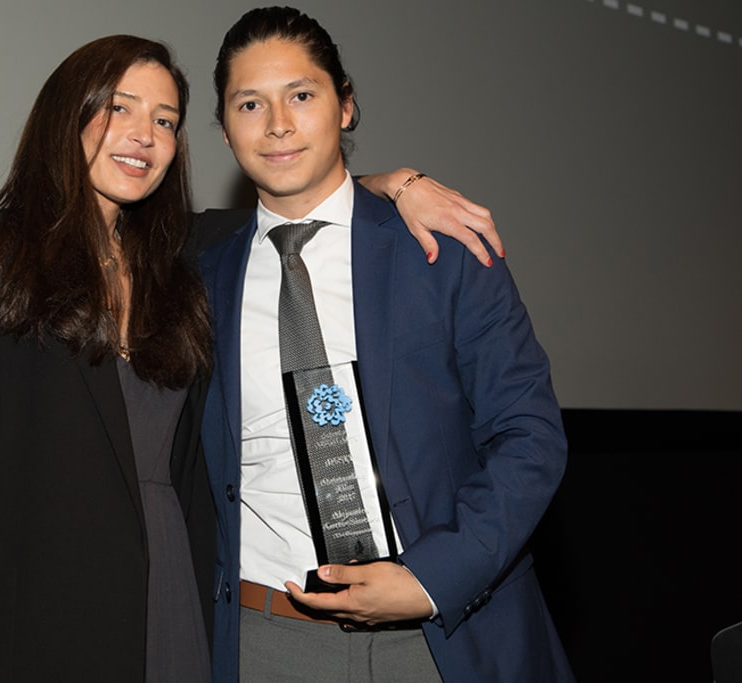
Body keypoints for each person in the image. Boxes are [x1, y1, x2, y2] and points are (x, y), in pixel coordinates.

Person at [0, 29, 501, 683]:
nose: (144, 134)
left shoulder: (183, 259)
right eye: (120, 108)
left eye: (164, 120)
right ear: (66, 115)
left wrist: (398, 182)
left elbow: (303, 190)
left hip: (179, 596)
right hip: (43, 608)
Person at [199, 7, 573, 682]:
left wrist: (431, 578)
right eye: (250, 103)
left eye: (302, 95)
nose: (277, 124)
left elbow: (530, 435)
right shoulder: (198, 279)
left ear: (345, 106)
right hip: (267, 640)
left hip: (440, 635)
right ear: (225, 129)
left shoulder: (441, 250)